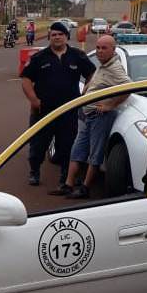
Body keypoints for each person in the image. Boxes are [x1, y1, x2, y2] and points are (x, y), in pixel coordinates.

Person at [21, 21, 96, 189]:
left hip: (68, 111)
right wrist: (34, 100)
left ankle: (65, 175)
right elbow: (25, 80)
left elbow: (92, 74)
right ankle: (34, 171)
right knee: (38, 144)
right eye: (53, 35)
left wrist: (85, 93)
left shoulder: (77, 56)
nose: (57, 37)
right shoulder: (39, 58)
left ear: (66, 36)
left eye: (60, 34)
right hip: (43, 110)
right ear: (49, 37)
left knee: (67, 144)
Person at [55, 35, 131, 198]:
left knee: (95, 153)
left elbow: (128, 87)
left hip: (100, 117)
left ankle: (85, 188)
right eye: (98, 48)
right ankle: (68, 185)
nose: (100, 51)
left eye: (104, 48)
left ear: (113, 49)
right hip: (88, 115)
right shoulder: (103, 65)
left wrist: (110, 105)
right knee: (77, 150)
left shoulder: (115, 68)